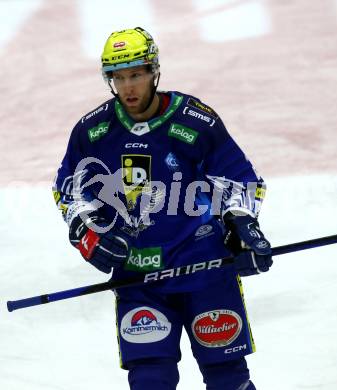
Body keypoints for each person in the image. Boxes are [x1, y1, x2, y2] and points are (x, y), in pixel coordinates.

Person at [53, 27, 273, 390]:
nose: (128, 87)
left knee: (227, 379)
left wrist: (242, 222)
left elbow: (239, 179)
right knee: (151, 381)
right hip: (139, 277)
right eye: (119, 77)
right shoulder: (93, 130)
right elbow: (69, 189)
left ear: (154, 70)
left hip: (204, 268)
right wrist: (86, 231)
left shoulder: (195, 119)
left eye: (136, 74)